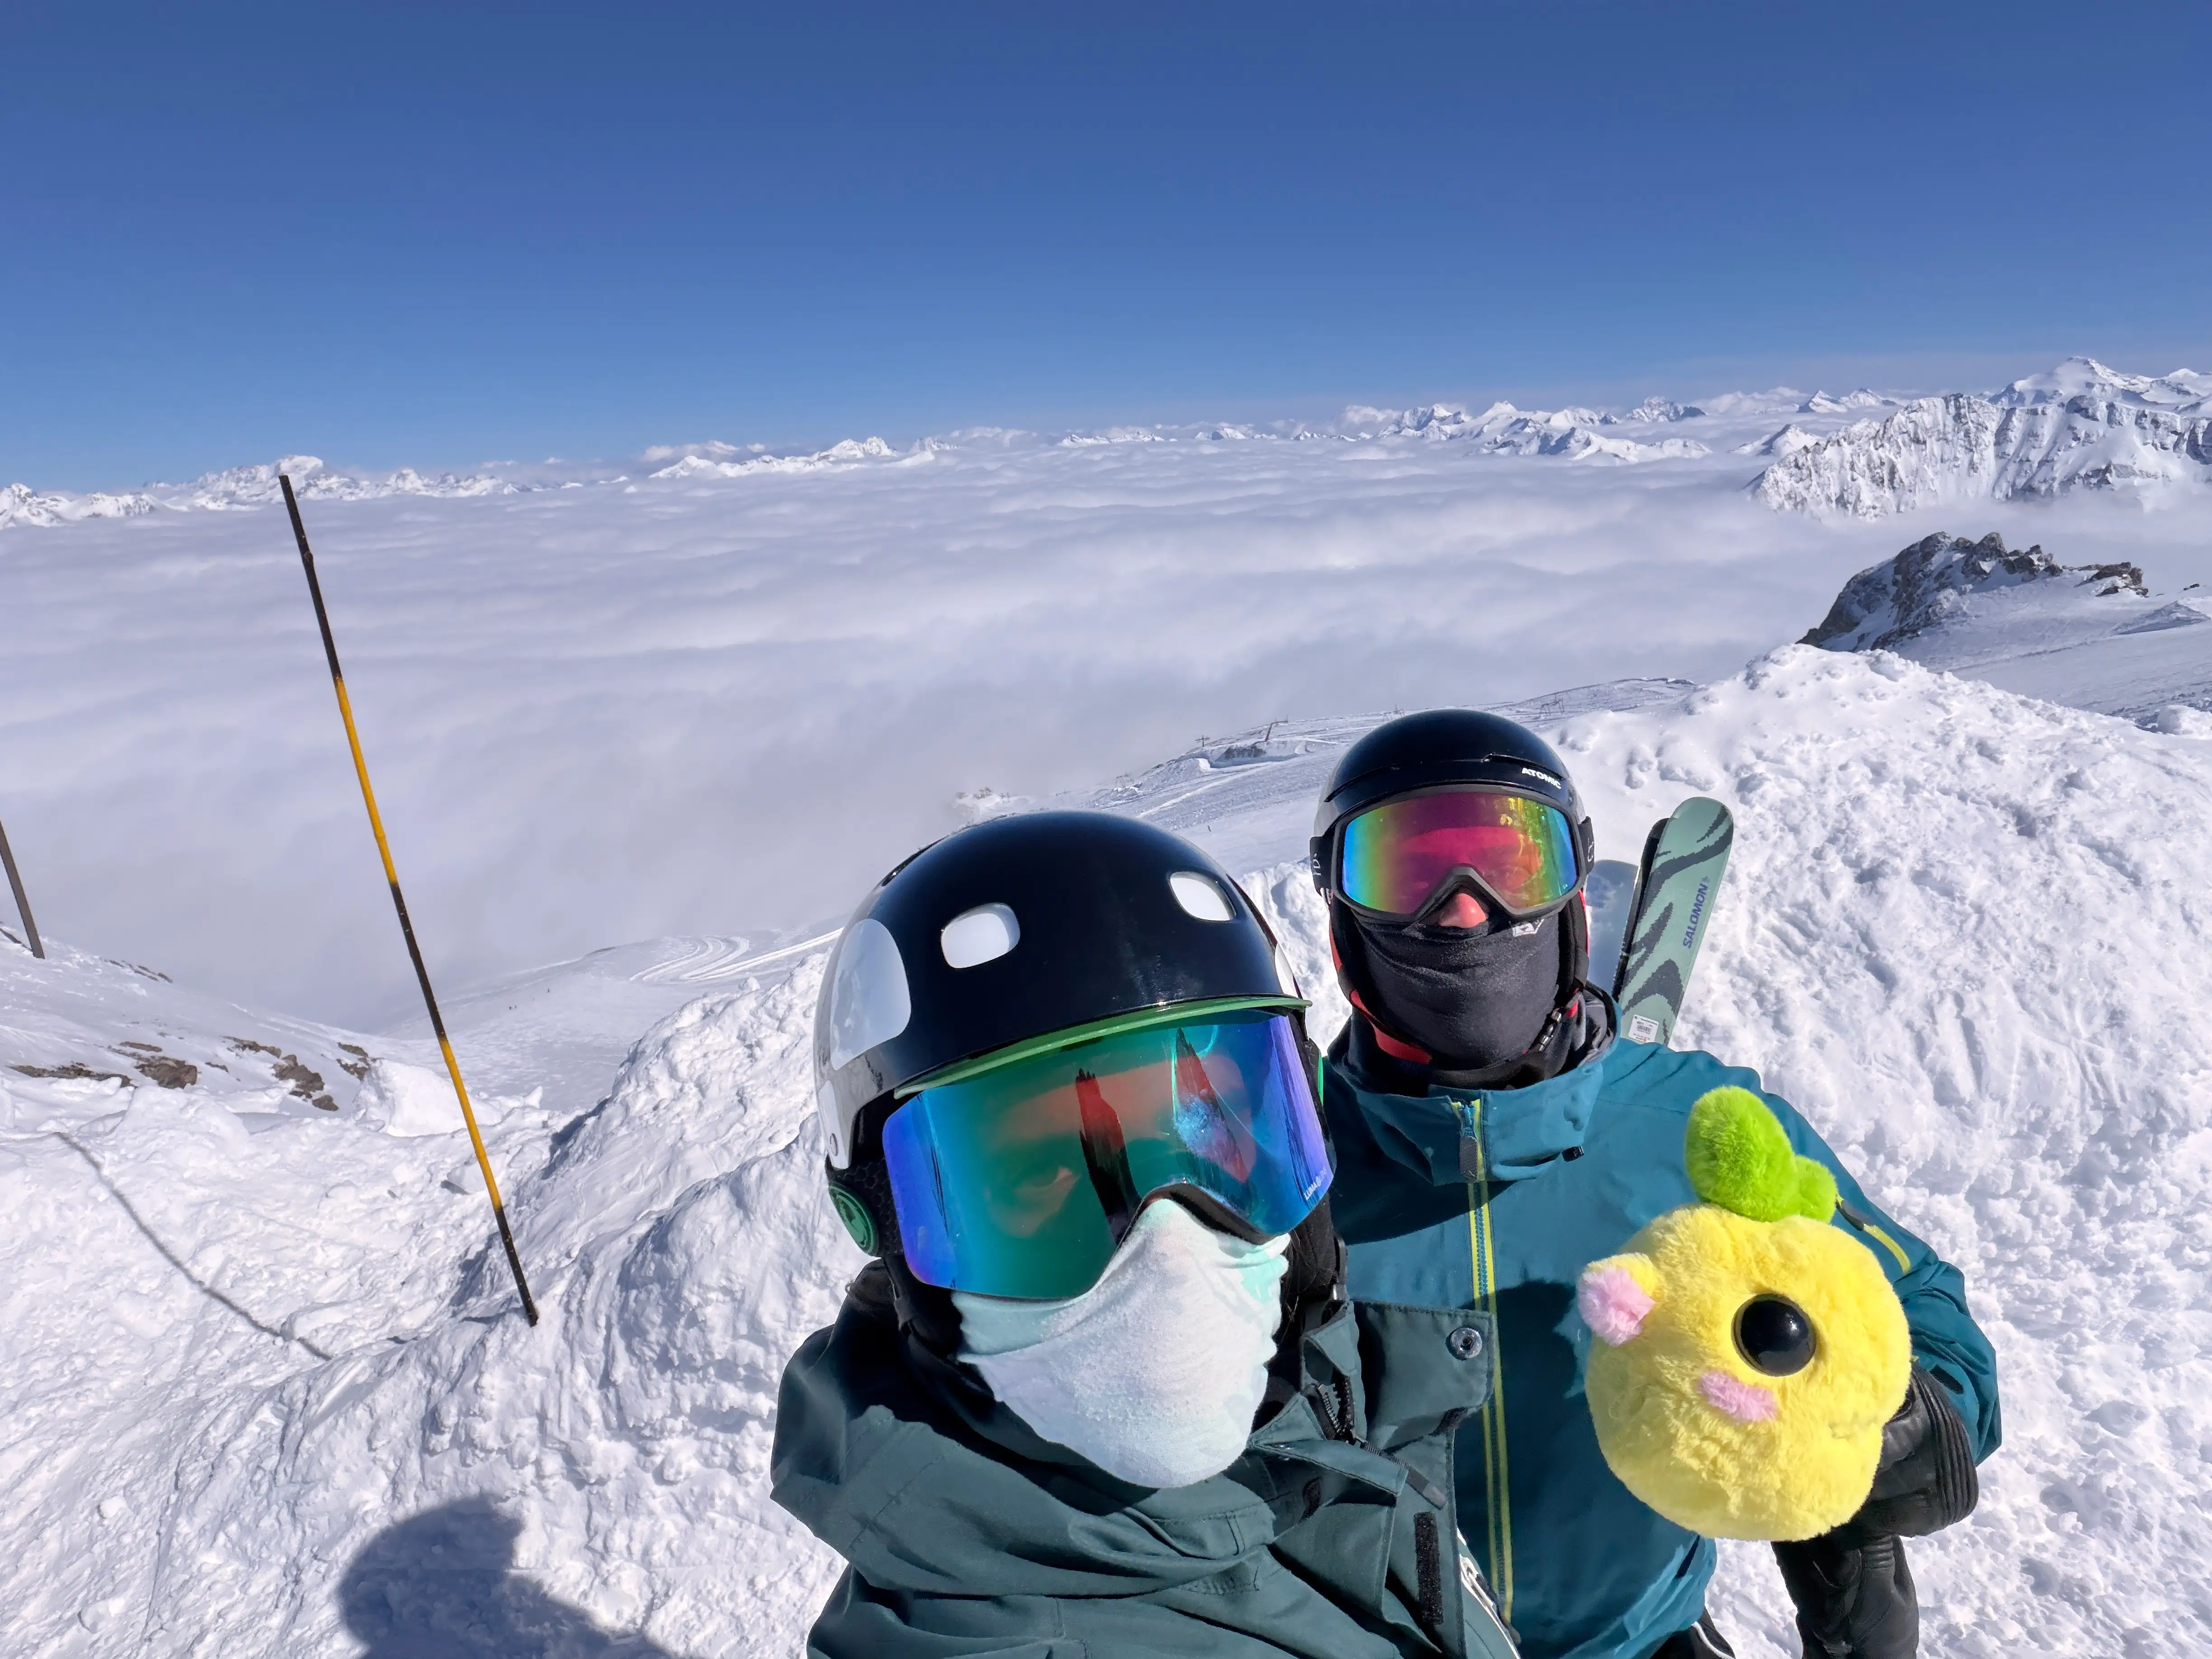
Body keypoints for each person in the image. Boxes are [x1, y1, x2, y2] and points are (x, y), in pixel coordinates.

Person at [1306, 711, 1999, 1659]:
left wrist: (1884, 1423)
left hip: (1639, 1642)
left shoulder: (1697, 1126)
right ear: (1343, 924)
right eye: (1404, 873)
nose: (1464, 912)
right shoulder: (1285, 1164)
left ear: (1574, 902)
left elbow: (1922, 1311)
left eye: (1510, 867)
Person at [771, 810, 1518, 1658]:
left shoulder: (1316, 1447)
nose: (1168, 1247)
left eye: (1214, 1137)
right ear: (884, 1219)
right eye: (1042, 1175)